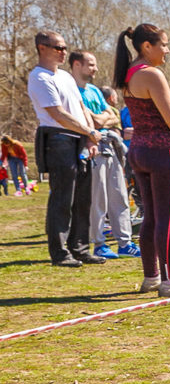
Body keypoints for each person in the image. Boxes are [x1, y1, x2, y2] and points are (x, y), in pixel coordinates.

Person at [115, 24, 170, 295]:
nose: (167, 50)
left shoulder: (129, 74)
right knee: (168, 218)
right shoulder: (151, 74)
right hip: (163, 152)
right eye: (164, 44)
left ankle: (151, 276)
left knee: (150, 217)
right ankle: (169, 281)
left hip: (139, 151)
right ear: (146, 46)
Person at [26, 31, 106, 267]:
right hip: (58, 138)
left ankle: (80, 248)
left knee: (83, 198)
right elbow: (58, 114)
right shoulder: (39, 77)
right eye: (57, 48)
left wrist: (90, 138)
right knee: (63, 197)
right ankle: (60, 253)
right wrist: (88, 132)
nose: (63, 52)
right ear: (42, 48)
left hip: (80, 137)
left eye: (64, 48)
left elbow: (82, 108)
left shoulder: (66, 77)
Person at [68, 51, 138, 259]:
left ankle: (125, 243)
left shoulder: (94, 91)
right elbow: (86, 119)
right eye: (91, 64)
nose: (95, 69)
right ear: (77, 65)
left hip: (110, 147)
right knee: (98, 199)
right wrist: (99, 120)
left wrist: (100, 119)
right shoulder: (70, 90)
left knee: (120, 196)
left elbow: (112, 117)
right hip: (90, 148)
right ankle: (99, 244)